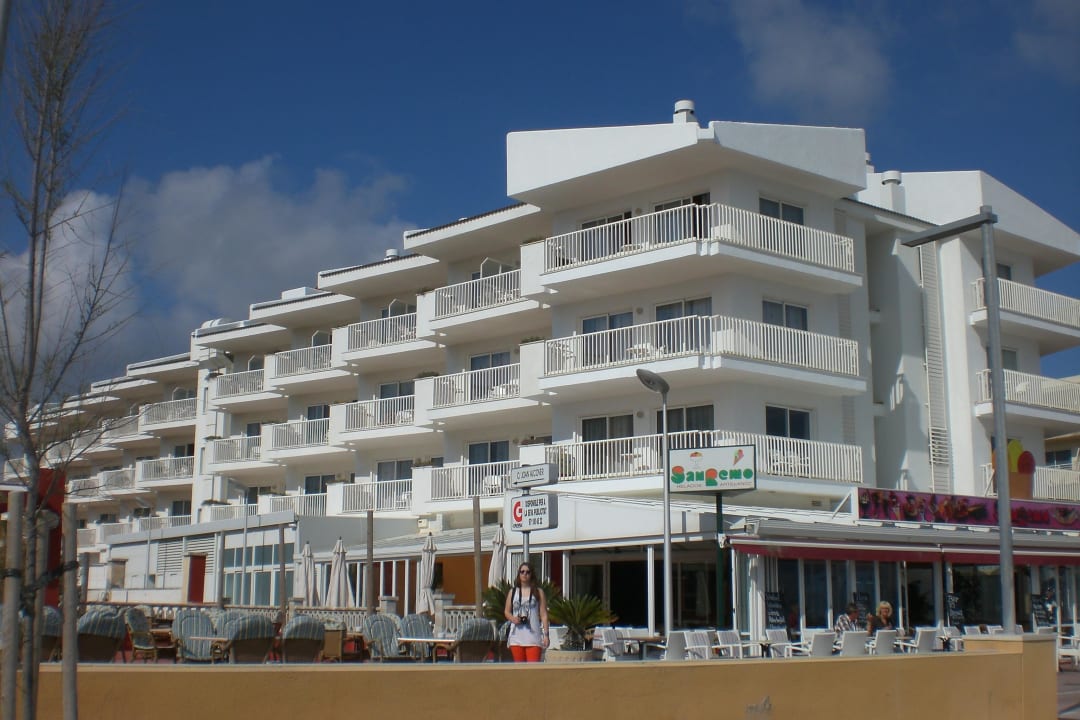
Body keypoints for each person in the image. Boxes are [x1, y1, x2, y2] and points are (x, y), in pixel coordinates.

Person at [504, 562, 549, 662]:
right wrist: (513, 618)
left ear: (531, 574)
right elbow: (507, 611)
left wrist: (546, 635)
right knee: (519, 670)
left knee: (533, 670)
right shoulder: (513, 592)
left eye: (528, 572)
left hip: (533, 637)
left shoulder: (538, 592)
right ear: (519, 574)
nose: (525, 574)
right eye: (522, 572)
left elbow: (544, 615)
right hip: (516, 637)